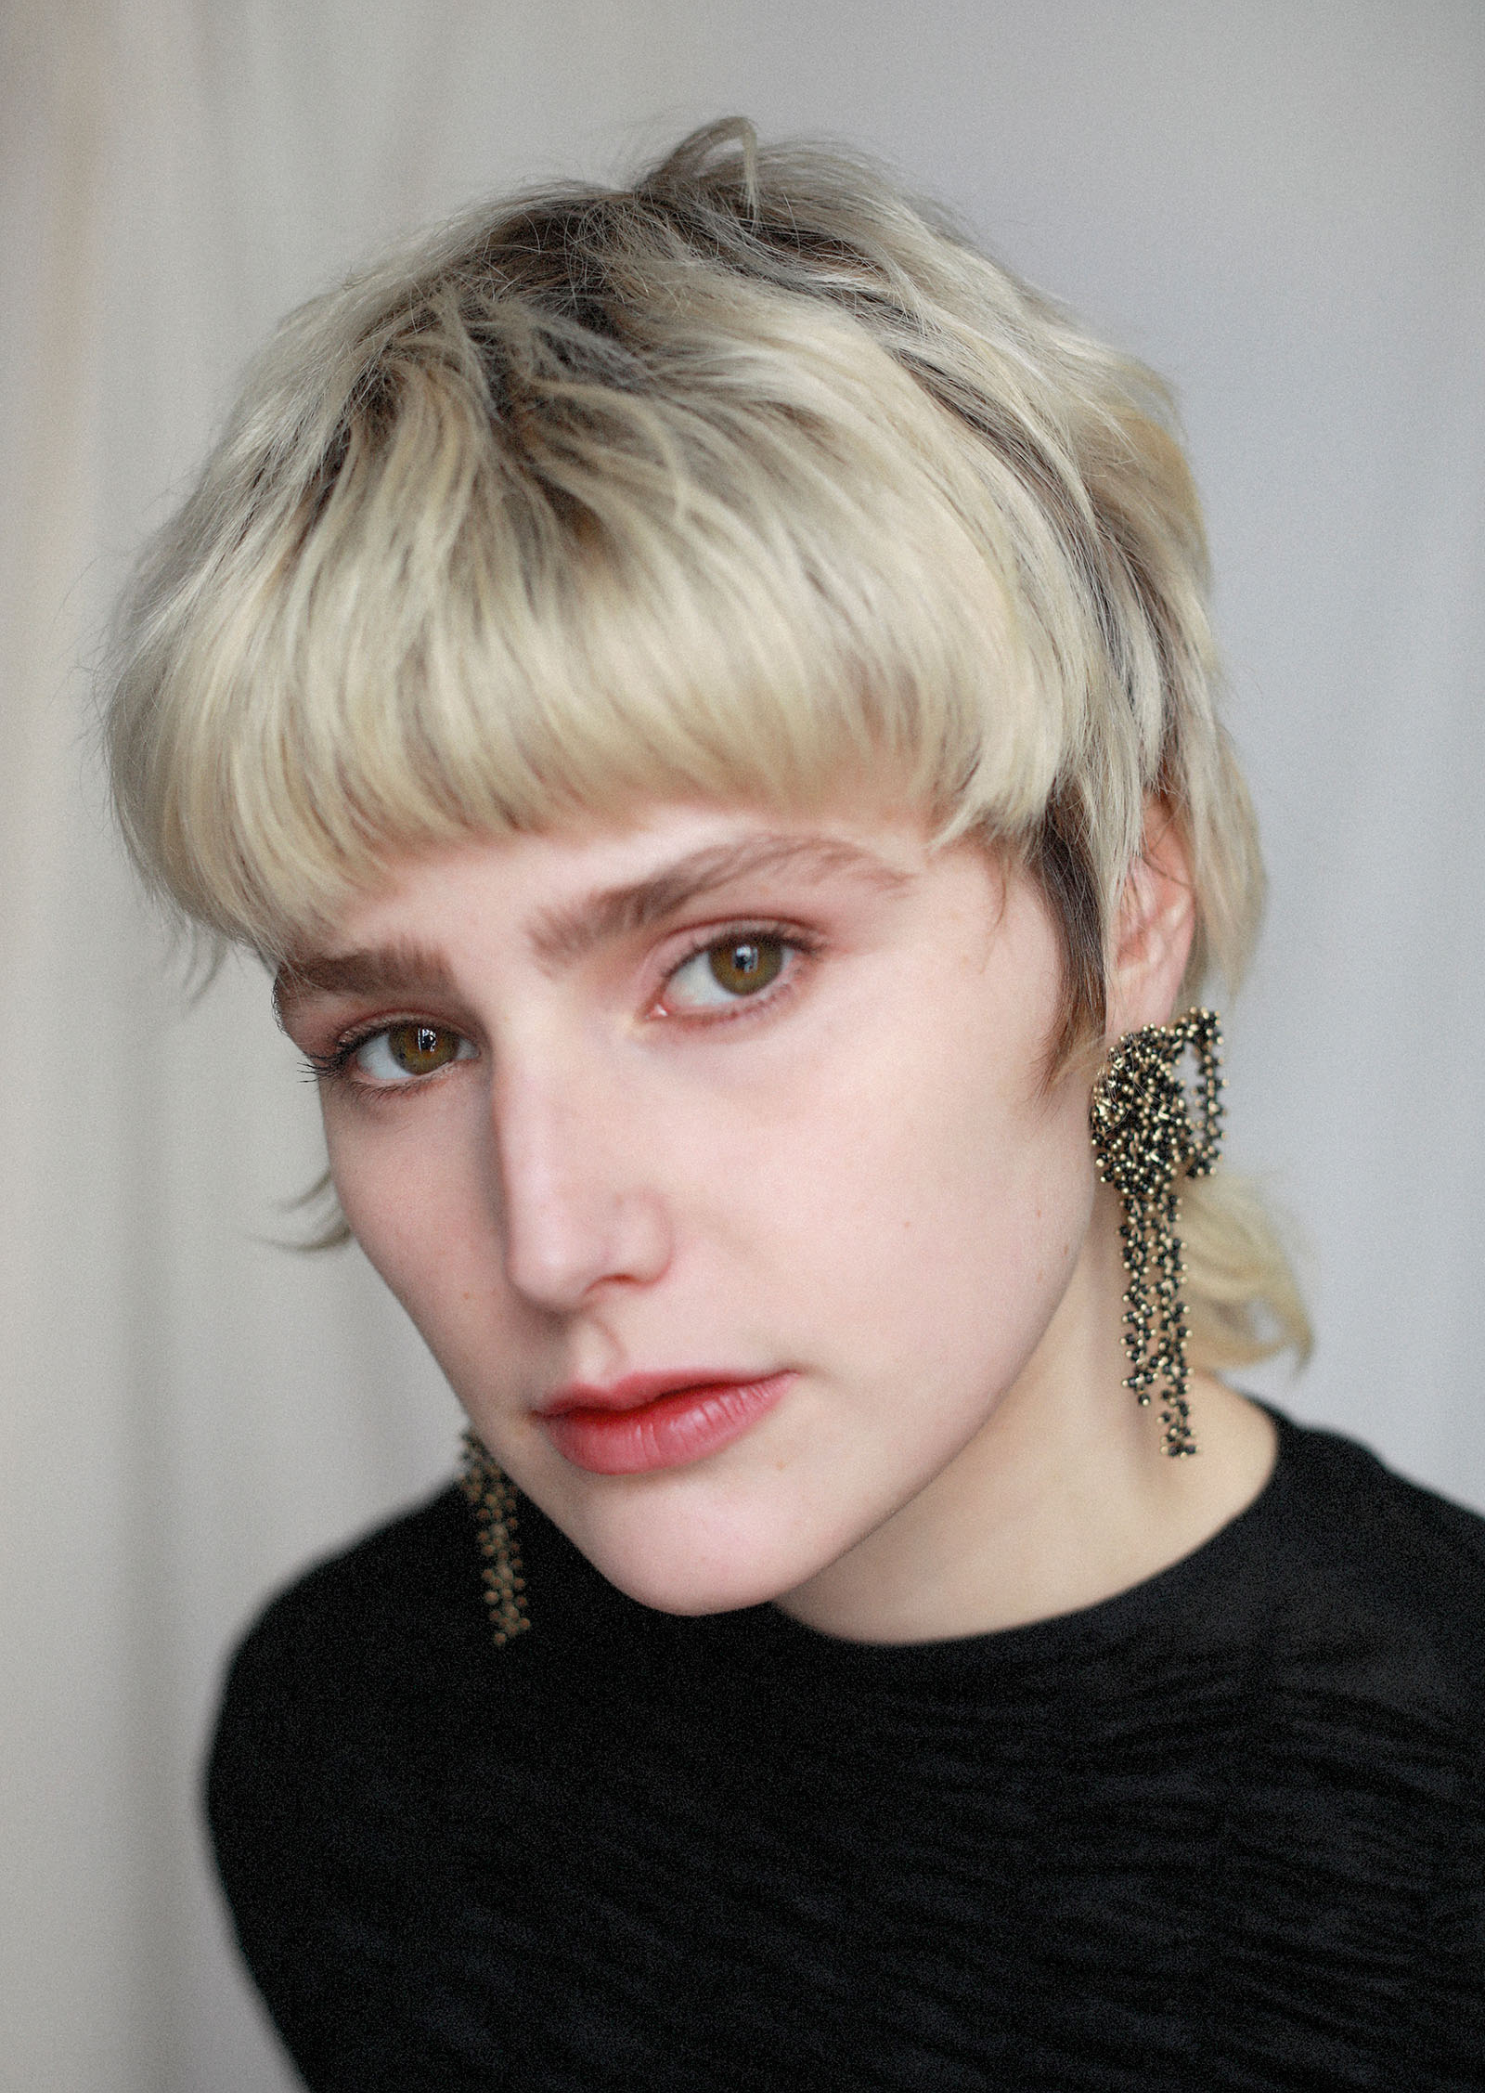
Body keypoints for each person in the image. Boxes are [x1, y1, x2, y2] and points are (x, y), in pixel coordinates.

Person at [104, 119, 1484, 2091]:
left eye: (735, 960)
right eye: (403, 1041)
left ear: (1131, 909)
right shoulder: (358, 1740)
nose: (555, 1236)